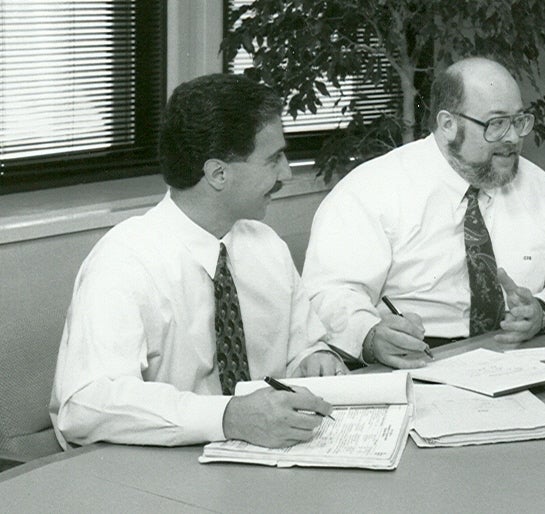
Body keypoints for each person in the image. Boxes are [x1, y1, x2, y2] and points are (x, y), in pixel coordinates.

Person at [50, 74, 347, 450]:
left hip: (258, 458)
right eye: (274, 159)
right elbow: (87, 404)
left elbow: (302, 345)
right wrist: (227, 417)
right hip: (150, 471)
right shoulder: (125, 261)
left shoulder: (266, 245)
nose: (287, 173)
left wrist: (313, 357)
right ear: (218, 174)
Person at [302, 57, 545, 369]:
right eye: (496, 123)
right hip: (416, 363)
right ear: (448, 125)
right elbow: (328, 291)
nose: (513, 137)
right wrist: (370, 334)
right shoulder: (371, 190)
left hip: (520, 356)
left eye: (519, 121)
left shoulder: (540, 189)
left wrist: (544, 310)